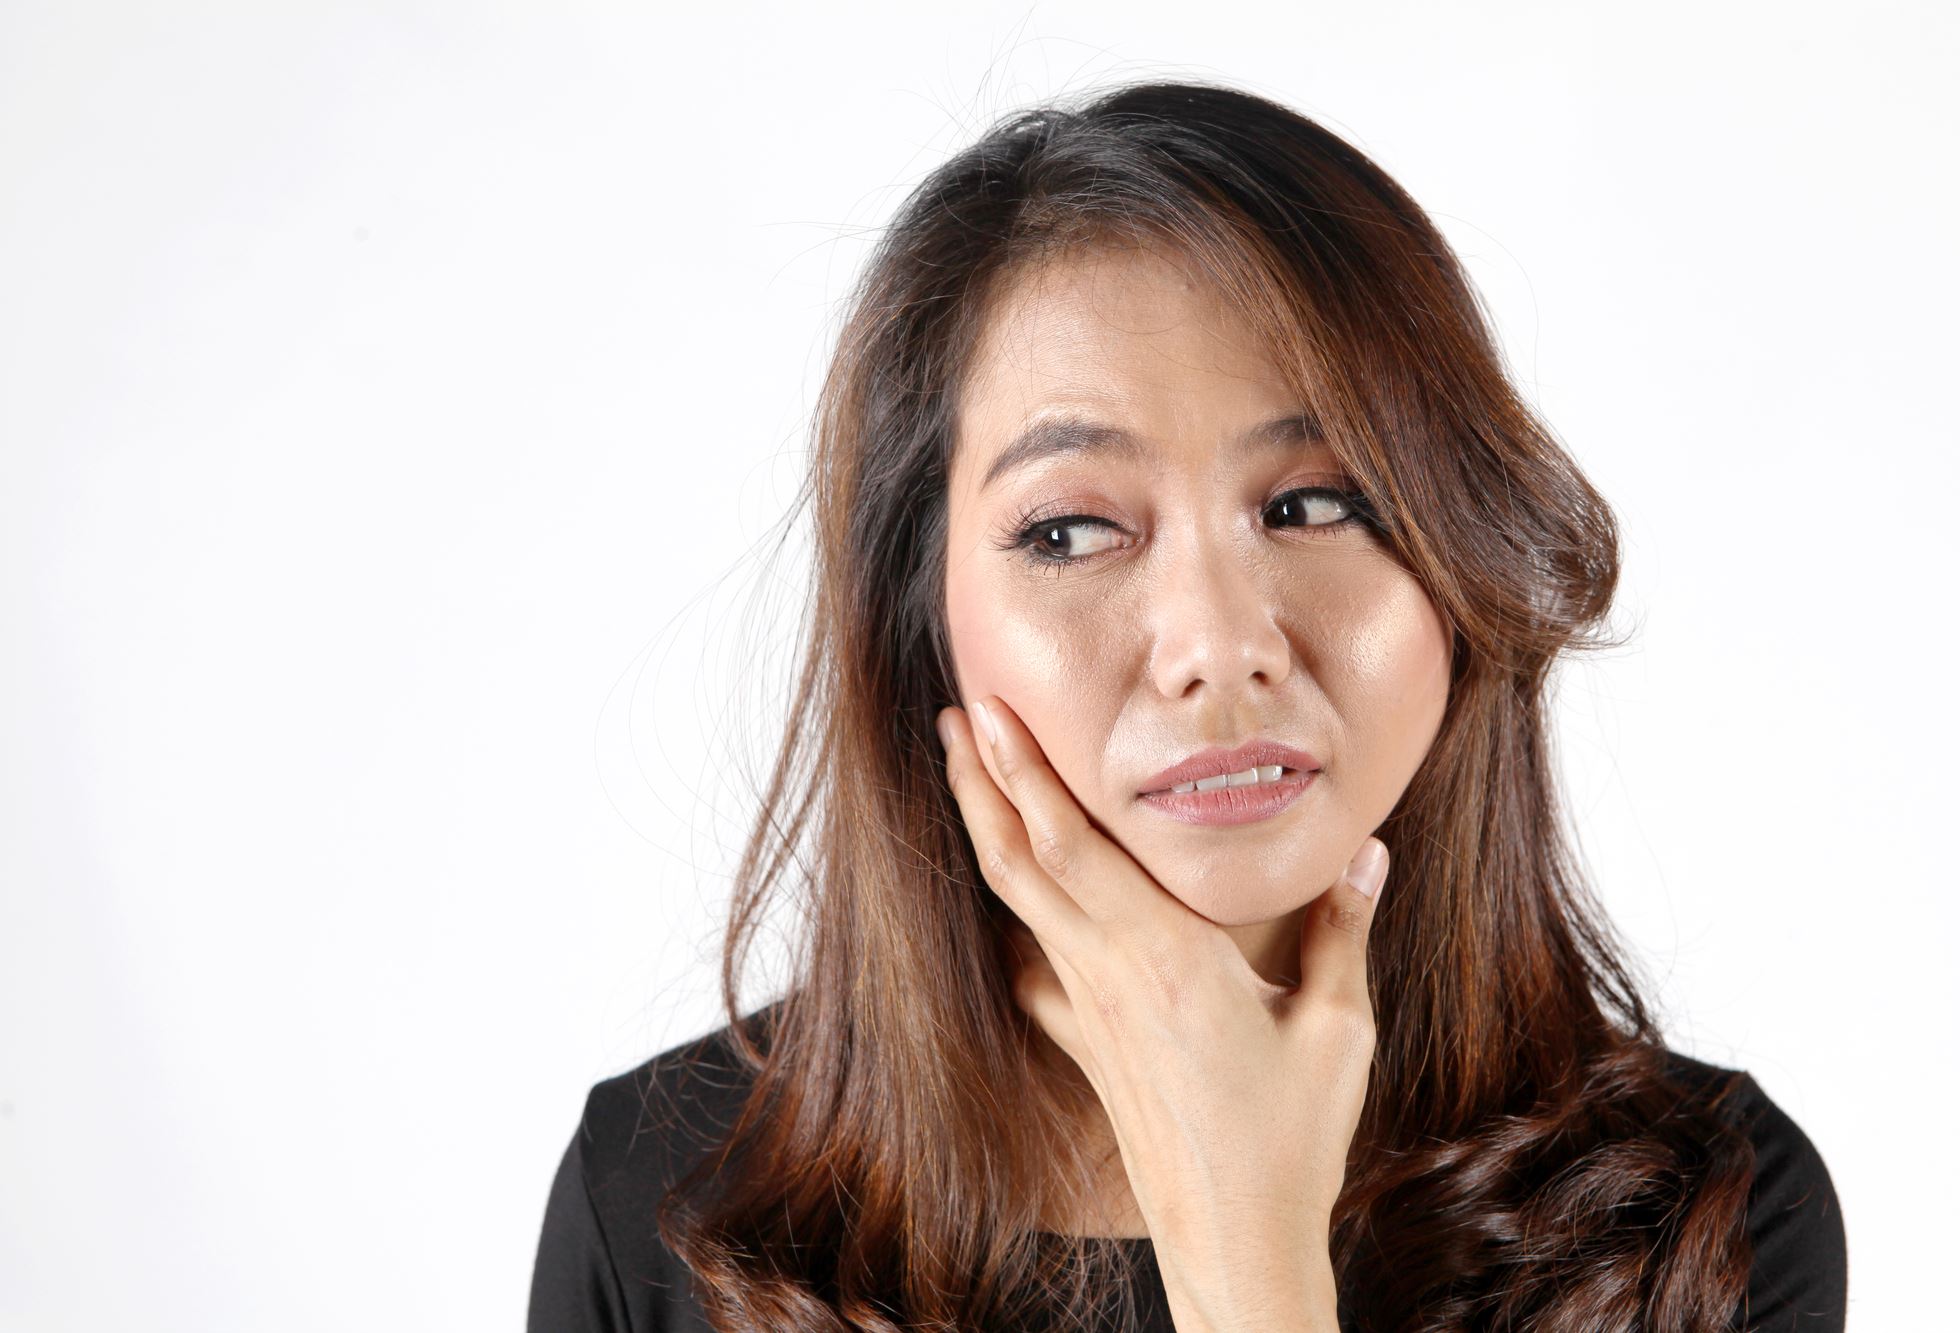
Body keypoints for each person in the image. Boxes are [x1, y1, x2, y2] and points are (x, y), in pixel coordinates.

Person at [528, 79, 1846, 1332]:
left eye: (1312, 503)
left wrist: (1249, 1242)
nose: (1219, 646)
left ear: (1459, 560)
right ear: (920, 612)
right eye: (1069, 532)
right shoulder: (670, 1201)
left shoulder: (1700, 1216)